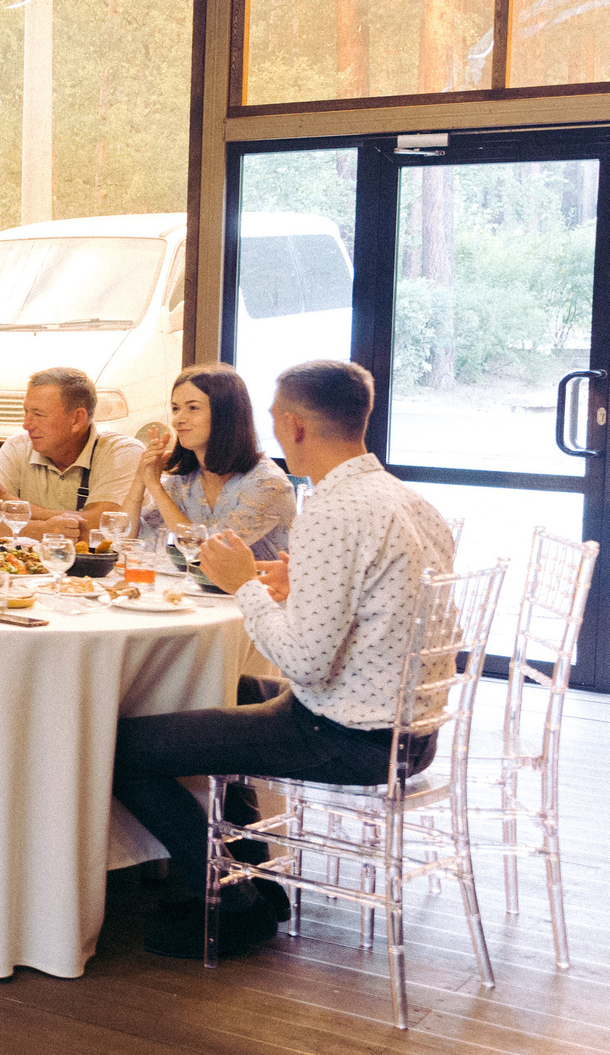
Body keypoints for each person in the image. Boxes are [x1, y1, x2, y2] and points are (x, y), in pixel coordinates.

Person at [110, 360, 455, 960]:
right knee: (218, 688)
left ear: (295, 425)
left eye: (275, 419)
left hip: (349, 734)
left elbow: (305, 663)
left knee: (123, 750)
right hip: (410, 730)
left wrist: (243, 584)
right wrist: (297, 584)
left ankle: (230, 902)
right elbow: (376, 602)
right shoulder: (406, 499)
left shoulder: (332, 509)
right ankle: (255, 877)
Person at [123, 363, 296, 560]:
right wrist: (141, 479)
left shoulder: (268, 484)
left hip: (257, 582)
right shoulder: (184, 481)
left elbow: (208, 551)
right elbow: (123, 538)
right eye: (175, 408)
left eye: (192, 408)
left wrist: (155, 487)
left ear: (225, 414)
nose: (177, 419)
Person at [0, 366, 142, 538]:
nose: (26, 424)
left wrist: (10, 502)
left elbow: (104, 529)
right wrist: (42, 529)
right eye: (26, 412)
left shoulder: (123, 453)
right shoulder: (16, 447)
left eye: (38, 414)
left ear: (77, 419)